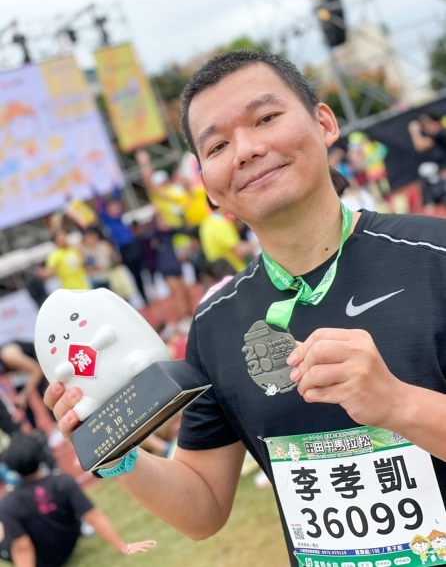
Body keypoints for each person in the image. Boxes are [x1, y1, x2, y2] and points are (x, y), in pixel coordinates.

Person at [46, 50, 446, 565]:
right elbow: (202, 507)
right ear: (208, 188)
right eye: (217, 145)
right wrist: (116, 450)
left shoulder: (435, 256)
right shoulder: (216, 324)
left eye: (266, 118)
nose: (246, 150)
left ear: (325, 123)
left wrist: (398, 404)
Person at [0, 433, 156, 567]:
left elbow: (22, 547)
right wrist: (123, 547)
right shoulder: (63, 482)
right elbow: (93, 516)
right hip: (67, 546)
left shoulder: (9, 503)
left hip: (43, 561)